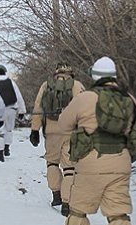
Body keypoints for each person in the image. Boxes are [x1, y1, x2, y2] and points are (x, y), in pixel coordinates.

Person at [56, 56, 136, 225]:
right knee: (118, 212)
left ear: (94, 76)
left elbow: (63, 124)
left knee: (79, 209)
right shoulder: (130, 99)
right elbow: (134, 128)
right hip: (120, 162)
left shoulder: (85, 98)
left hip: (91, 161)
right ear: (113, 76)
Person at [29, 62, 85, 209]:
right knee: (69, 167)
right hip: (70, 131)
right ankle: (67, 202)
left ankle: (56, 195)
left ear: (56, 72)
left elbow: (38, 108)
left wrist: (35, 129)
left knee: (52, 163)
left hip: (51, 132)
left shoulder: (46, 86)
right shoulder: (77, 86)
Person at [0, 65, 26, 161]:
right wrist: (22, 111)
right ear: (5, 72)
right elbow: (18, 97)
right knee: (9, 129)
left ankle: (0, 153)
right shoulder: (10, 82)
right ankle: (7, 148)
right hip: (11, 108)